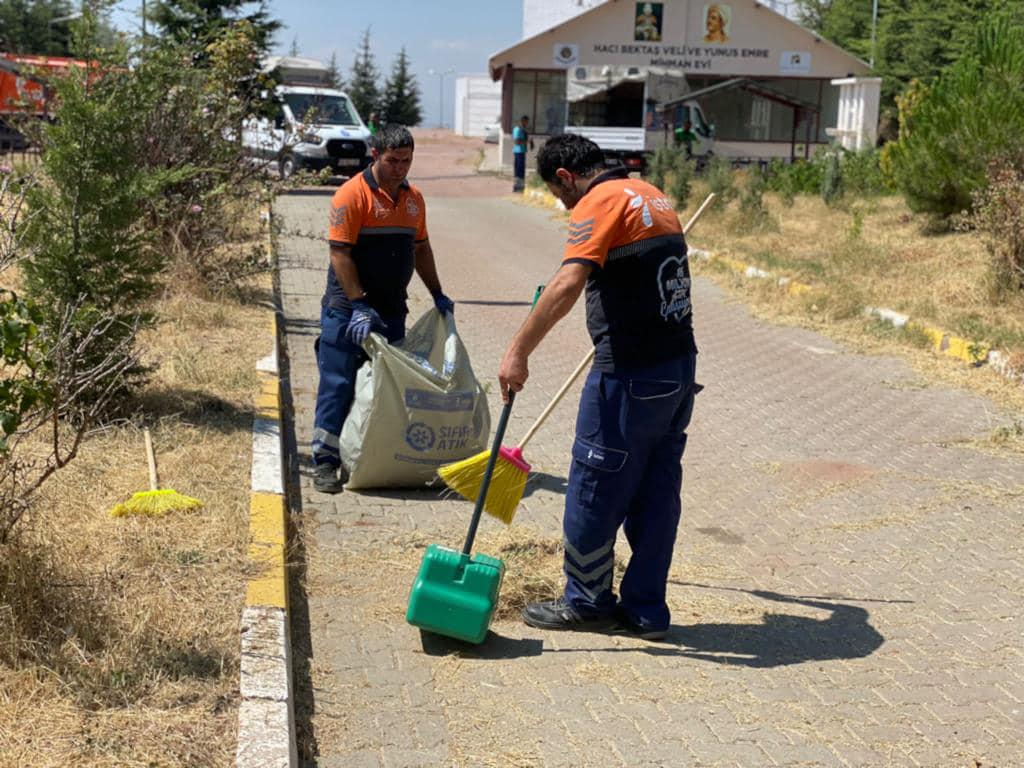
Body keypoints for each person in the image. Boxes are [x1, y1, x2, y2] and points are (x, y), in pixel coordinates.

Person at [498, 134, 699, 641]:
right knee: (656, 492)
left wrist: (518, 351)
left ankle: (587, 602)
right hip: (678, 369)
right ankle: (647, 611)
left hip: (629, 375)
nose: (564, 207)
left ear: (566, 177)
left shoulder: (599, 201)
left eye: (558, 194)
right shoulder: (651, 194)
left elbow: (568, 283)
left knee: (594, 483)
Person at [312, 124, 454, 493]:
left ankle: (369, 459)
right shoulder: (351, 195)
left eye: (407, 161)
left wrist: (437, 293)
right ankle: (325, 462)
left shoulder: (413, 199)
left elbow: (420, 248)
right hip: (348, 312)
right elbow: (340, 254)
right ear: (375, 155)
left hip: (391, 312)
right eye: (393, 161)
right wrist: (359, 304)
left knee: (383, 391)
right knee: (338, 385)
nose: (400, 168)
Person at [512, 115, 530, 192]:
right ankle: (518, 187)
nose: (527, 124)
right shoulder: (517, 129)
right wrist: (527, 141)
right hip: (518, 152)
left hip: (522, 151)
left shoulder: (523, 130)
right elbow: (517, 141)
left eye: (527, 122)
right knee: (519, 170)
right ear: (522, 121)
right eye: (526, 122)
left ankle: (519, 186)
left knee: (520, 170)